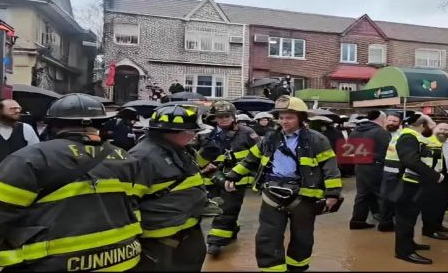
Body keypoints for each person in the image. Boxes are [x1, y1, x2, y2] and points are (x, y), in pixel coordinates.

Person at [0, 94, 144, 271]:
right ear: (101, 124)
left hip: (49, 262)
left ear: (53, 124)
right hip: (121, 260)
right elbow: (132, 208)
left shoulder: (32, 158)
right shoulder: (125, 158)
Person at [224, 95, 342, 272]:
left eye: (289, 117)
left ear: (301, 118)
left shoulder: (317, 140)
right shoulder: (270, 138)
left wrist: (332, 194)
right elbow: (250, 159)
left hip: (304, 196)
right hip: (272, 193)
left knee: (302, 238)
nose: (284, 121)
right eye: (281, 117)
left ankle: (297, 268)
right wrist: (232, 175)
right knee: (267, 236)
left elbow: (330, 168)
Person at [129, 104, 208, 271]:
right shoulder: (144, 157)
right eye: (191, 132)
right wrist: (133, 237)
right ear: (172, 133)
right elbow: (128, 201)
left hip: (187, 228)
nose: (194, 136)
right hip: (159, 237)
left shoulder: (180, 150)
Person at [199, 101, 260, 256]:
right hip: (212, 179)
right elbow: (197, 157)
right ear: (214, 118)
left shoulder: (247, 133)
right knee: (219, 208)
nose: (223, 119)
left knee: (225, 209)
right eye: (219, 117)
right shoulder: (207, 135)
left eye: (226, 116)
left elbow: (260, 155)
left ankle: (215, 241)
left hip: (235, 180)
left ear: (233, 117)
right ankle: (231, 227)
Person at [393, 113, 442, 265]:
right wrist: (435, 175)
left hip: (412, 182)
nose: (433, 127)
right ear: (422, 126)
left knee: (411, 217)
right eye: (431, 124)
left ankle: (410, 244)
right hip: (407, 184)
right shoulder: (409, 137)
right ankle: (404, 252)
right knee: (405, 219)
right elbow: (410, 161)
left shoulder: (413, 136)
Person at [349, 110, 391, 230]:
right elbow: (388, 151)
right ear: (381, 119)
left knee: (362, 194)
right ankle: (385, 223)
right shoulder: (381, 132)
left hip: (360, 166)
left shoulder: (356, 130)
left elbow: (349, 149)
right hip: (376, 167)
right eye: (385, 119)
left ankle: (357, 221)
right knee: (382, 194)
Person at [420, 122, 448, 240]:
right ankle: (428, 230)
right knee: (430, 206)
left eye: (446, 130)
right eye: (440, 129)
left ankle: (437, 226)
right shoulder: (426, 142)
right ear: (434, 129)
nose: (443, 131)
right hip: (431, 178)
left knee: (442, 205)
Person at [379, 112, 403, 232]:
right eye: (390, 120)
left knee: (390, 198)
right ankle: (385, 223)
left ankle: (387, 221)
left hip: (393, 172)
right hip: (380, 170)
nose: (391, 123)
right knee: (386, 199)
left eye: (395, 121)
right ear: (385, 121)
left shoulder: (400, 136)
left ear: (400, 123)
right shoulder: (380, 134)